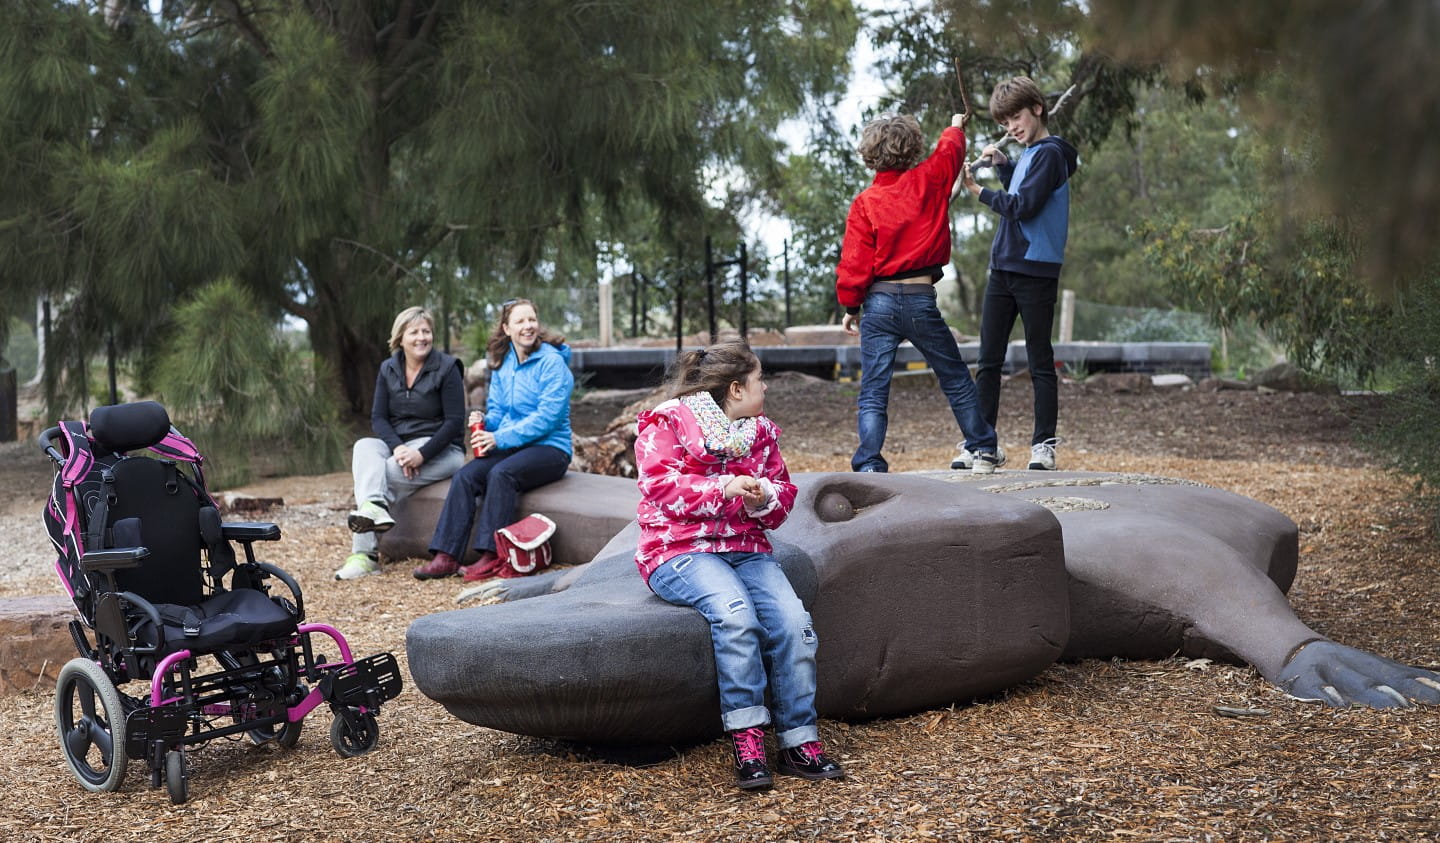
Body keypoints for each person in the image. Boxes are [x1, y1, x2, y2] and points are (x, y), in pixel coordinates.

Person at [633, 340, 844, 792]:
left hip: (745, 548)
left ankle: (797, 740)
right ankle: (747, 738)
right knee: (735, 615)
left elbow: (783, 495)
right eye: (758, 380)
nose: (765, 387)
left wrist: (765, 496)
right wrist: (724, 487)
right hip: (677, 550)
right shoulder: (666, 422)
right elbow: (660, 487)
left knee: (792, 622)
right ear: (735, 389)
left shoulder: (761, 432)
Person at [835, 111, 1004, 475]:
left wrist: (850, 304)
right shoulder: (928, 180)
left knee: (874, 389)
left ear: (869, 155)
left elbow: (855, 260)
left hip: (877, 302)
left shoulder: (865, 202)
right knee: (954, 376)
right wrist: (956, 126)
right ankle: (983, 447)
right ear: (913, 149)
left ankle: (868, 463)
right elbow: (949, 153)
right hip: (918, 298)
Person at [957, 76, 1079, 471]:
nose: (1012, 126)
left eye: (1017, 116)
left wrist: (977, 190)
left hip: (1035, 271)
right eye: (1005, 121)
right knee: (988, 360)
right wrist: (1004, 166)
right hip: (1003, 268)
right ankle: (982, 444)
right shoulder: (1028, 155)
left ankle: (1043, 444)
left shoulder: (1050, 153)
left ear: (1037, 109)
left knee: (1039, 360)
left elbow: (1024, 206)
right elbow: (1022, 189)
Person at [413, 298, 573, 581]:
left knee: (502, 473)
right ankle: (446, 555)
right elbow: (499, 410)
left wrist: (499, 437)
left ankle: (491, 555)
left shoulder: (553, 363)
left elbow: (546, 418)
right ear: (506, 328)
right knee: (465, 475)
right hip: (511, 444)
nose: (528, 326)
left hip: (550, 448)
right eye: (520, 321)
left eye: (531, 320)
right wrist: (485, 422)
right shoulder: (505, 363)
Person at [337, 306, 467, 580]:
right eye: (414, 332)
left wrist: (422, 454)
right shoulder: (389, 368)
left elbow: (455, 422)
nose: (422, 337)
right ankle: (373, 508)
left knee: (382, 474)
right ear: (400, 338)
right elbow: (379, 418)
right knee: (363, 447)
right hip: (399, 445)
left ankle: (365, 555)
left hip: (441, 448)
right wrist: (397, 448)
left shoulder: (447, 368)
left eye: (426, 331)